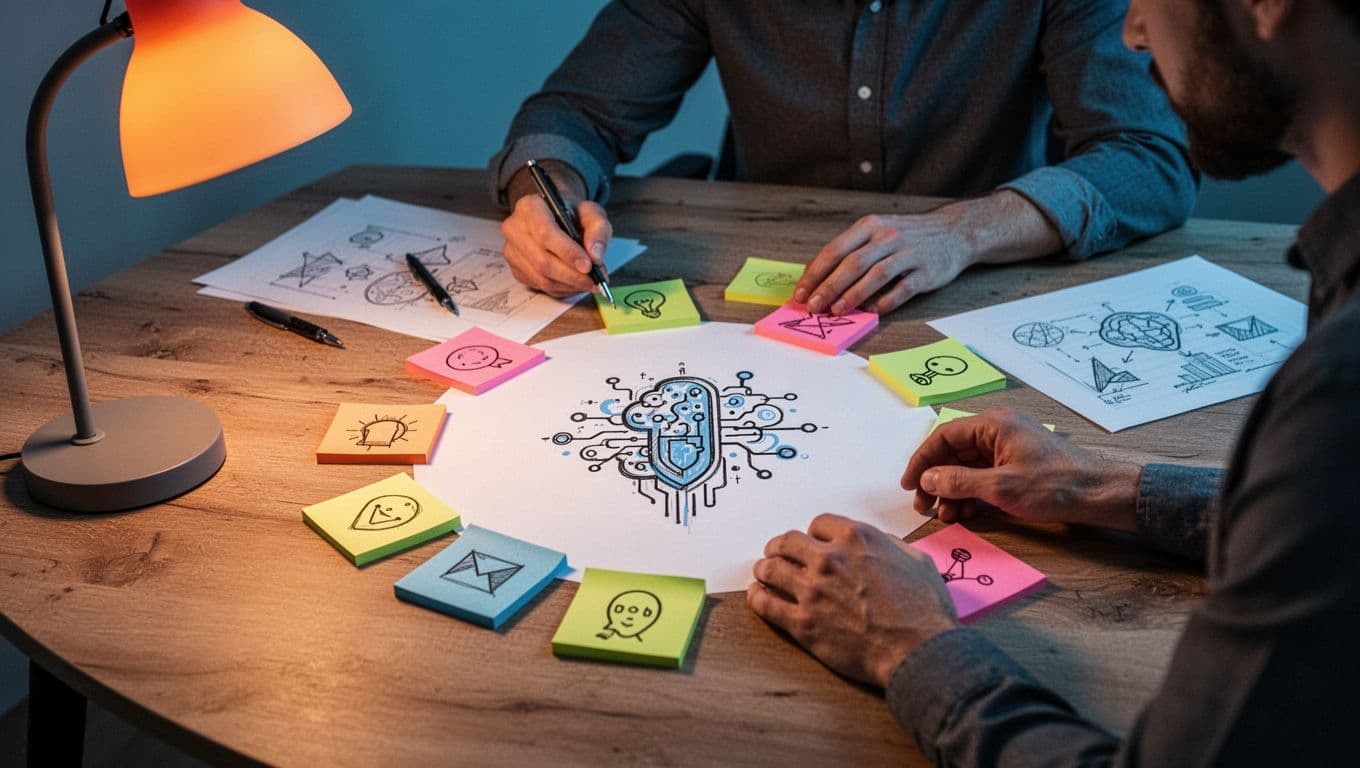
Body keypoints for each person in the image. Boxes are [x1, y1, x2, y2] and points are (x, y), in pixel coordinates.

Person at [746, 0, 1360, 762]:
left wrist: (912, 645)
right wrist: (1110, 490)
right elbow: (1328, 522)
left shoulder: (1338, 383)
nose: (1133, 30)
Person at [489, 1, 1197, 315]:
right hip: (746, 301)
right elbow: (575, 114)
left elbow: (1149, 158)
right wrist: (538, 197)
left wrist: (967, 230)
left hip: (982, 297)